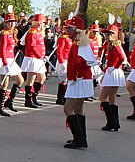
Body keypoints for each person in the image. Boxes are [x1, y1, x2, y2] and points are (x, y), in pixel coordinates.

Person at [63, 16, 96, 149]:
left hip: (79, 80)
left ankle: (80, 139)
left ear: (76, 31)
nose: (67, 31)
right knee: (78, 109)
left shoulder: (79, 45)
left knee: (68, 109)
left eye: (70, 29)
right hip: (82, 79)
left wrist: (73, 76)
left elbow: (77, 62)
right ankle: (80, 138)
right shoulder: (81, 44)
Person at [0, 10, 24, 117]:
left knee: (20, 80)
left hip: (11, 59)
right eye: (9, 22)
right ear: (5, 22)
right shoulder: (4, 33)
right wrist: (5, 63)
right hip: (4, 59)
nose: (11, 23)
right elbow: (2, 49)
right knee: (4, 84)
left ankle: (9, 101)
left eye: (13, 21)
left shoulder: (12, 32)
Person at [99, 24, 126, 131]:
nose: (107, 36)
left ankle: (112, 122)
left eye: (109, 34)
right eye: (106, 34)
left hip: (113, 72)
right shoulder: (109, 44)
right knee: (111, 98)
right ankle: (115, 123)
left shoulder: (115, 44)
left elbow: (122, 58)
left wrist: (114, 67)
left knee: (102, 98)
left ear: (114, 35)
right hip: (111, 71)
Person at [20, 13, 46, 108]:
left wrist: (42, 55)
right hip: (32, 58)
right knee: (31, 79)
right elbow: (32, 46)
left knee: (42, 78)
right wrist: (40, 55)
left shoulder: (39, 32)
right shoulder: (32, 32)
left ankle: (34, 97)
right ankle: (28, 100)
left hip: (39, 58)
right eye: (42, 22)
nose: (43, 24)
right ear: (38, 23)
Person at [54, 22, 72, 105]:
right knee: (63, 79)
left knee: (68, 79)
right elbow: (60, 50)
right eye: (67, 28)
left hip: (69, 59)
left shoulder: (71, 37)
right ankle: (60, 98)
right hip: (63, 60)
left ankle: (65, 97)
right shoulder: (62, 37)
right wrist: (61, 62)